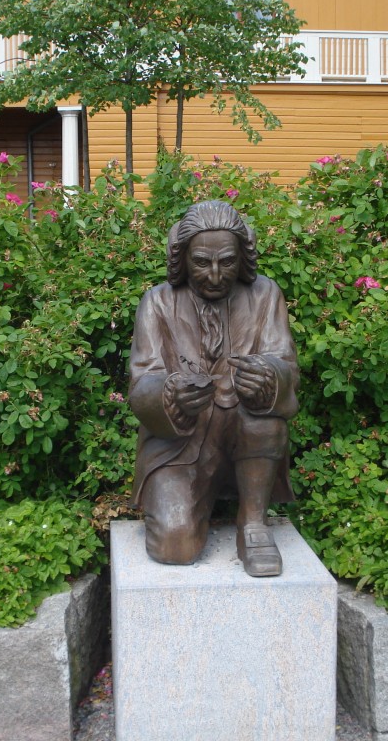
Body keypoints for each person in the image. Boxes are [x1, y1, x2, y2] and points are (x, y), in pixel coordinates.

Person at [128, 201, 299, 577]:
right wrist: (171, 394)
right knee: (174, 547)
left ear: (242, 258)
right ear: (182, 259)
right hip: (180, 444)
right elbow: (141, 382)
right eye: (202, 262)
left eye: (228, 261)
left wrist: (268, 377)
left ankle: (253, 524)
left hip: (247, 435)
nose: (216, 274)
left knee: (262, 414)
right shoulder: (157, 302)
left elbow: (285, 365)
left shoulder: (265, 295)